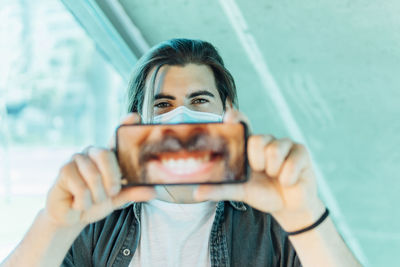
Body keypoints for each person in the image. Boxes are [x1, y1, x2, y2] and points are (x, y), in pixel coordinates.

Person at [1, 38, 362, 267]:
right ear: (137, 119)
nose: (181, 114)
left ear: (227, 109)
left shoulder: (271, 218)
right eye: (163, 103)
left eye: (199, 100)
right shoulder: (97, 216)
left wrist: (305, 217)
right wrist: (55, 224)